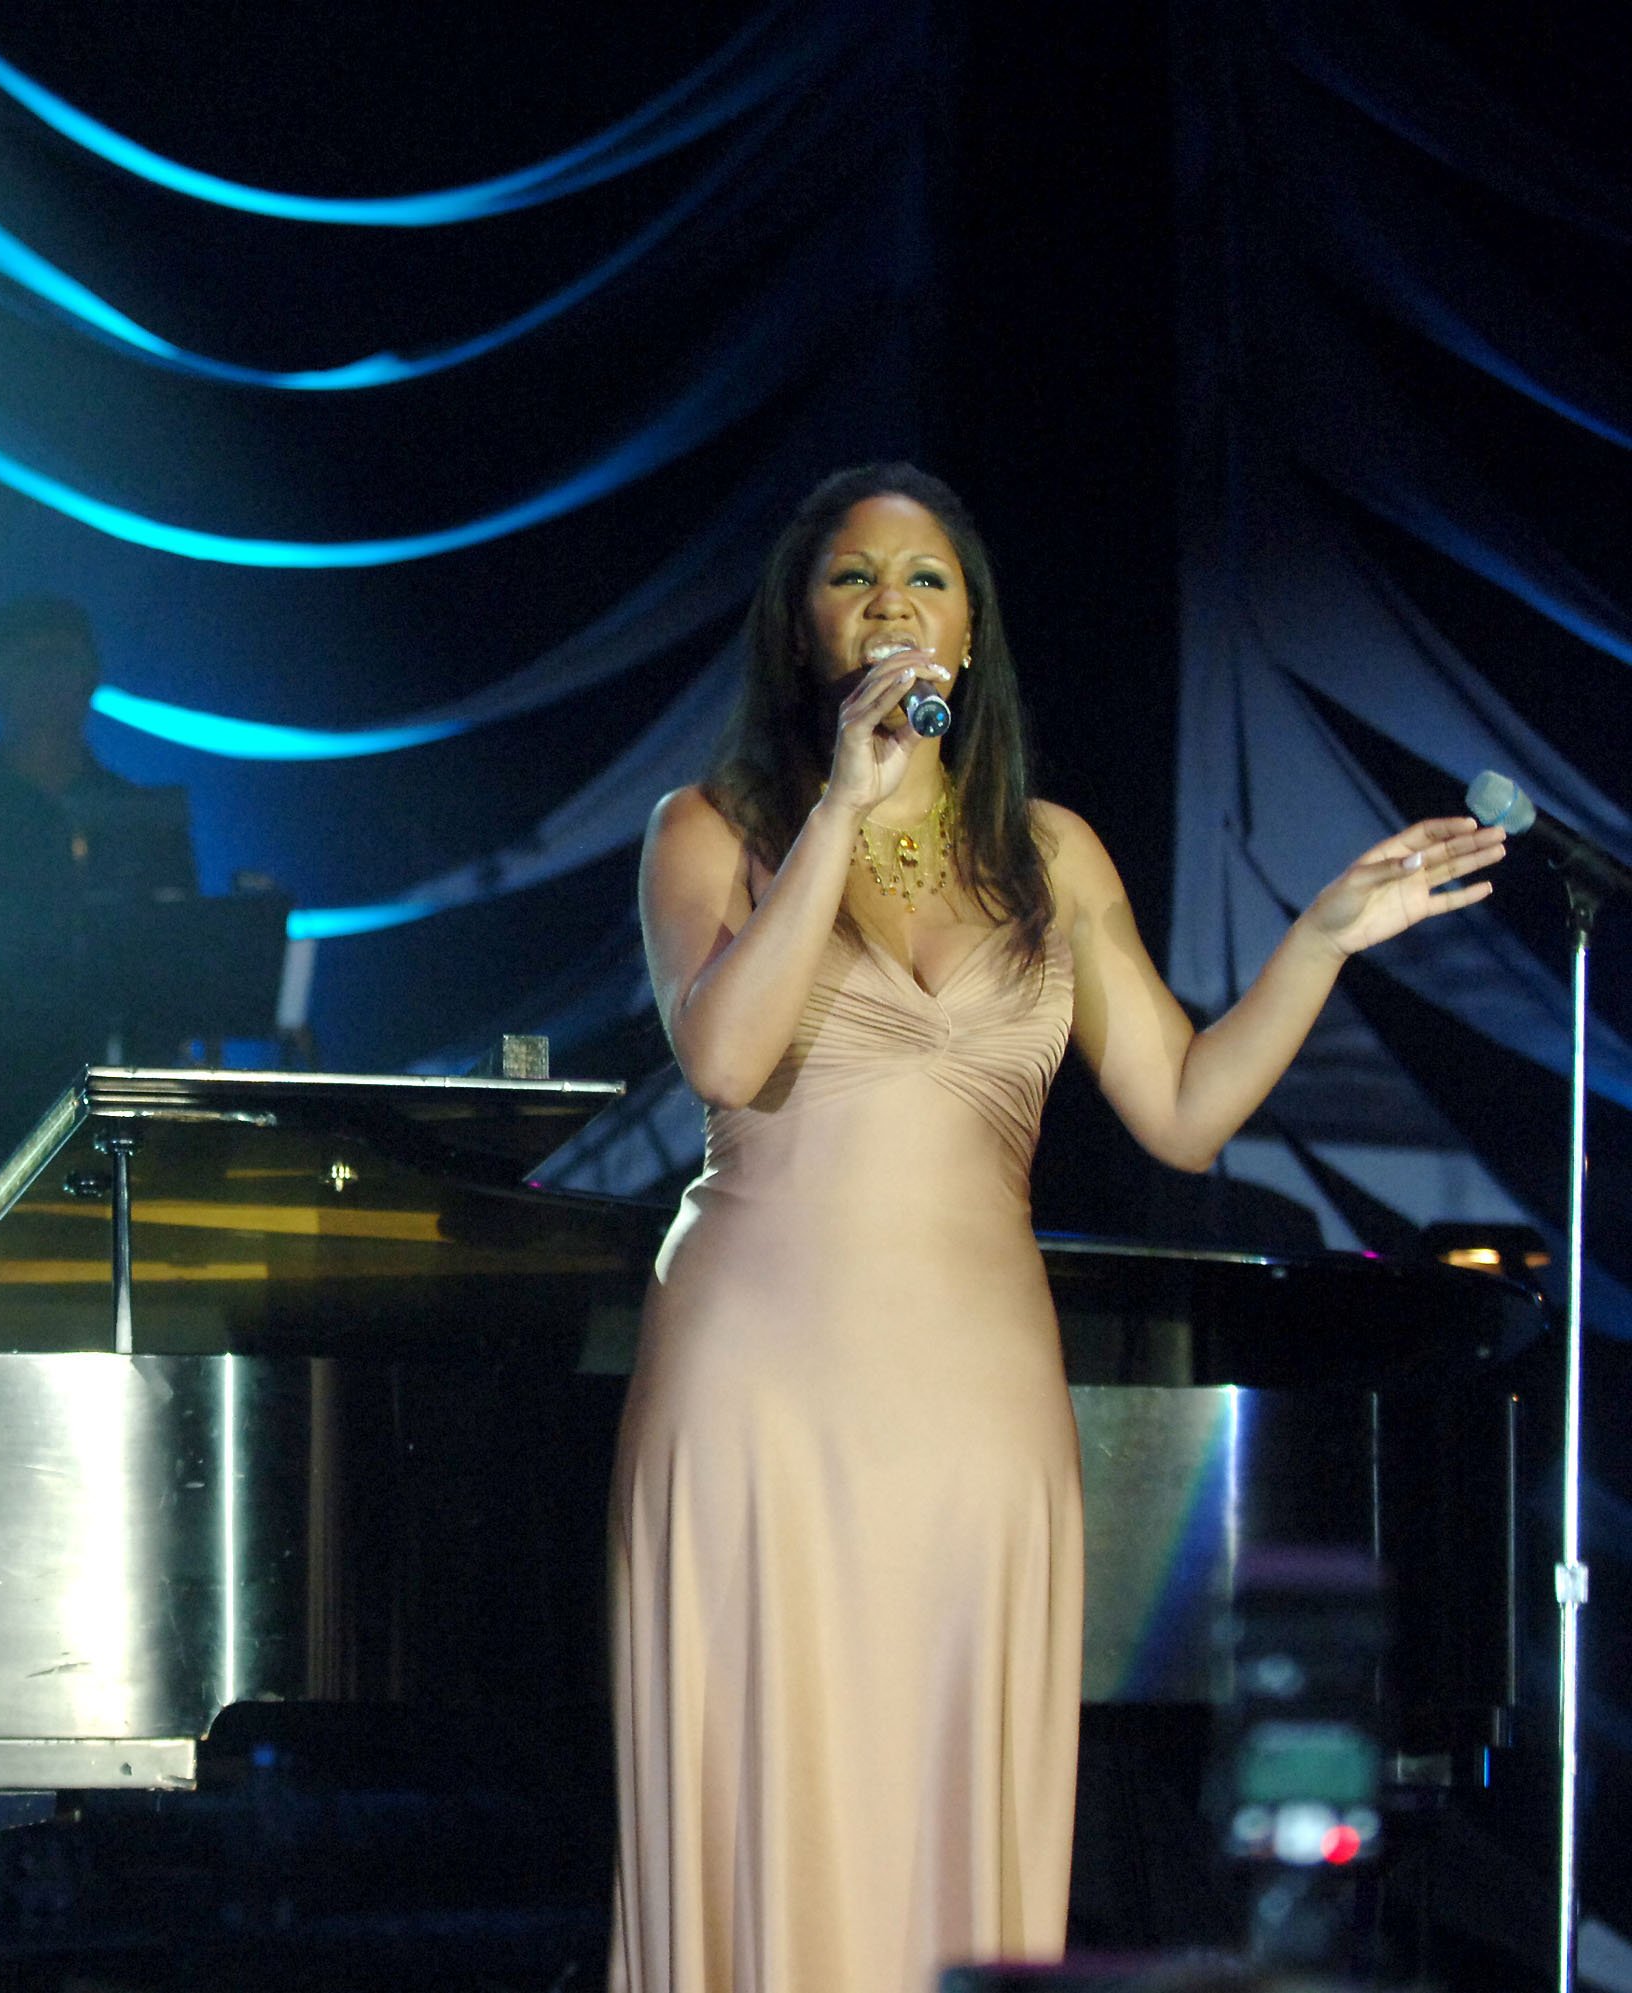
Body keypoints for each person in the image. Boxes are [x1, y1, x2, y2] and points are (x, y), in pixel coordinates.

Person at [609, 464, 1501, 1993]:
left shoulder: (1050, 852)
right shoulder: (712, 828)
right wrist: (841, 805)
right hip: (765, 1379)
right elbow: (725, 1057)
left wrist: (1323, 939)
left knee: (955, 1788)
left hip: (980, 1396)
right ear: (801, 623)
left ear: (971, 629)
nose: (892, 602)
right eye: (853, 578)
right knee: (773, 1777)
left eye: (928, 579)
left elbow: (1181, 1109)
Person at [0, 597, 197, 1249]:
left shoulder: (144, 820)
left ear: (92, 678)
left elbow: (182, 973)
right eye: (31, 665)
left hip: (120, 1132)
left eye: (65, 663)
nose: (50, 683)